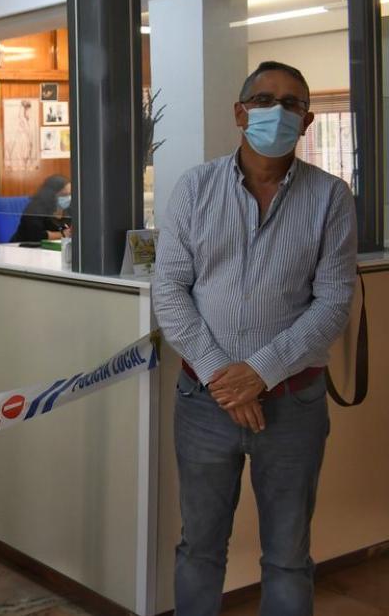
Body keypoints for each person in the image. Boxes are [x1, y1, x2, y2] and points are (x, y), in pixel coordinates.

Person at [153, 61, 357, 616]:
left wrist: (261, 372)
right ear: (240, 113)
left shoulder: (330, 197)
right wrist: (225, 378)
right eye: (264, 100)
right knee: (199, 548)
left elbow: (333, 302)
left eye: (292, 103)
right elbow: (169, 289)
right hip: (204, 403)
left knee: (288, 557)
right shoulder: (196, 188)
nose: (278, 111)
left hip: (293, 406)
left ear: (307, 121)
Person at [9, 174, 71, 243]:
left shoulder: (68, 208)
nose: (68, 198)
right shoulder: (35, 209)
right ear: (50, 194)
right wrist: (63, 234)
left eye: (70, 194)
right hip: (22, 246)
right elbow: (35, 236)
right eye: (64, 195)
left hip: (54, 246)